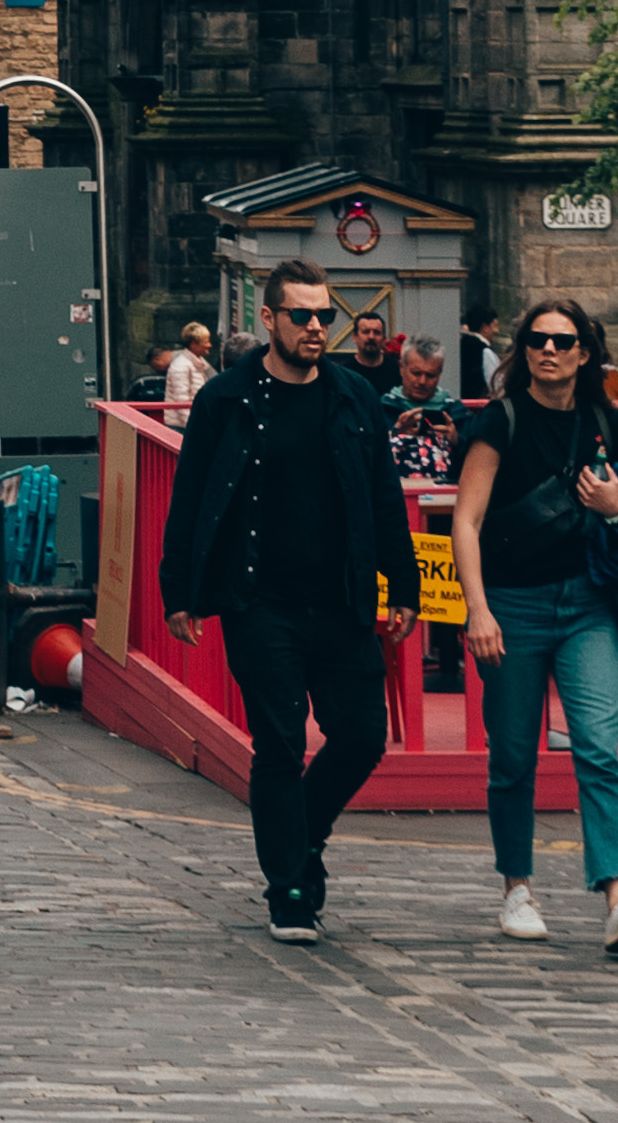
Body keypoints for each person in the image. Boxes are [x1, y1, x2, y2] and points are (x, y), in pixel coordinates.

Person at [152, 264, 419, 940]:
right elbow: (192, 497)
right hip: (259, 601)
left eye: (324, 315)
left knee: (361, 735)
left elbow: (383, 495)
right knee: (279, 741)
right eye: (301, 315)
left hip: (341, 599)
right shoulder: (226, 399)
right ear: (269, 319)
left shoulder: (355, 396)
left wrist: (403, 583)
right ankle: (289, 889)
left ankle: (304, 833)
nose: (316, 327)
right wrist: (179, 590)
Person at [457, 299, 618, 956]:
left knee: (598, 746)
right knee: (514, 754)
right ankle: (517, 887)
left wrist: (616, 507)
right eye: (538, 339)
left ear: (584, 353)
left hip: (586, 603)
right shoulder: (502, 420)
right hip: (511, 602)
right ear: (524, 350)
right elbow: (466, 520)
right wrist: (477, 608)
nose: (550, 350)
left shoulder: (605, 420)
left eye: (563, 341)